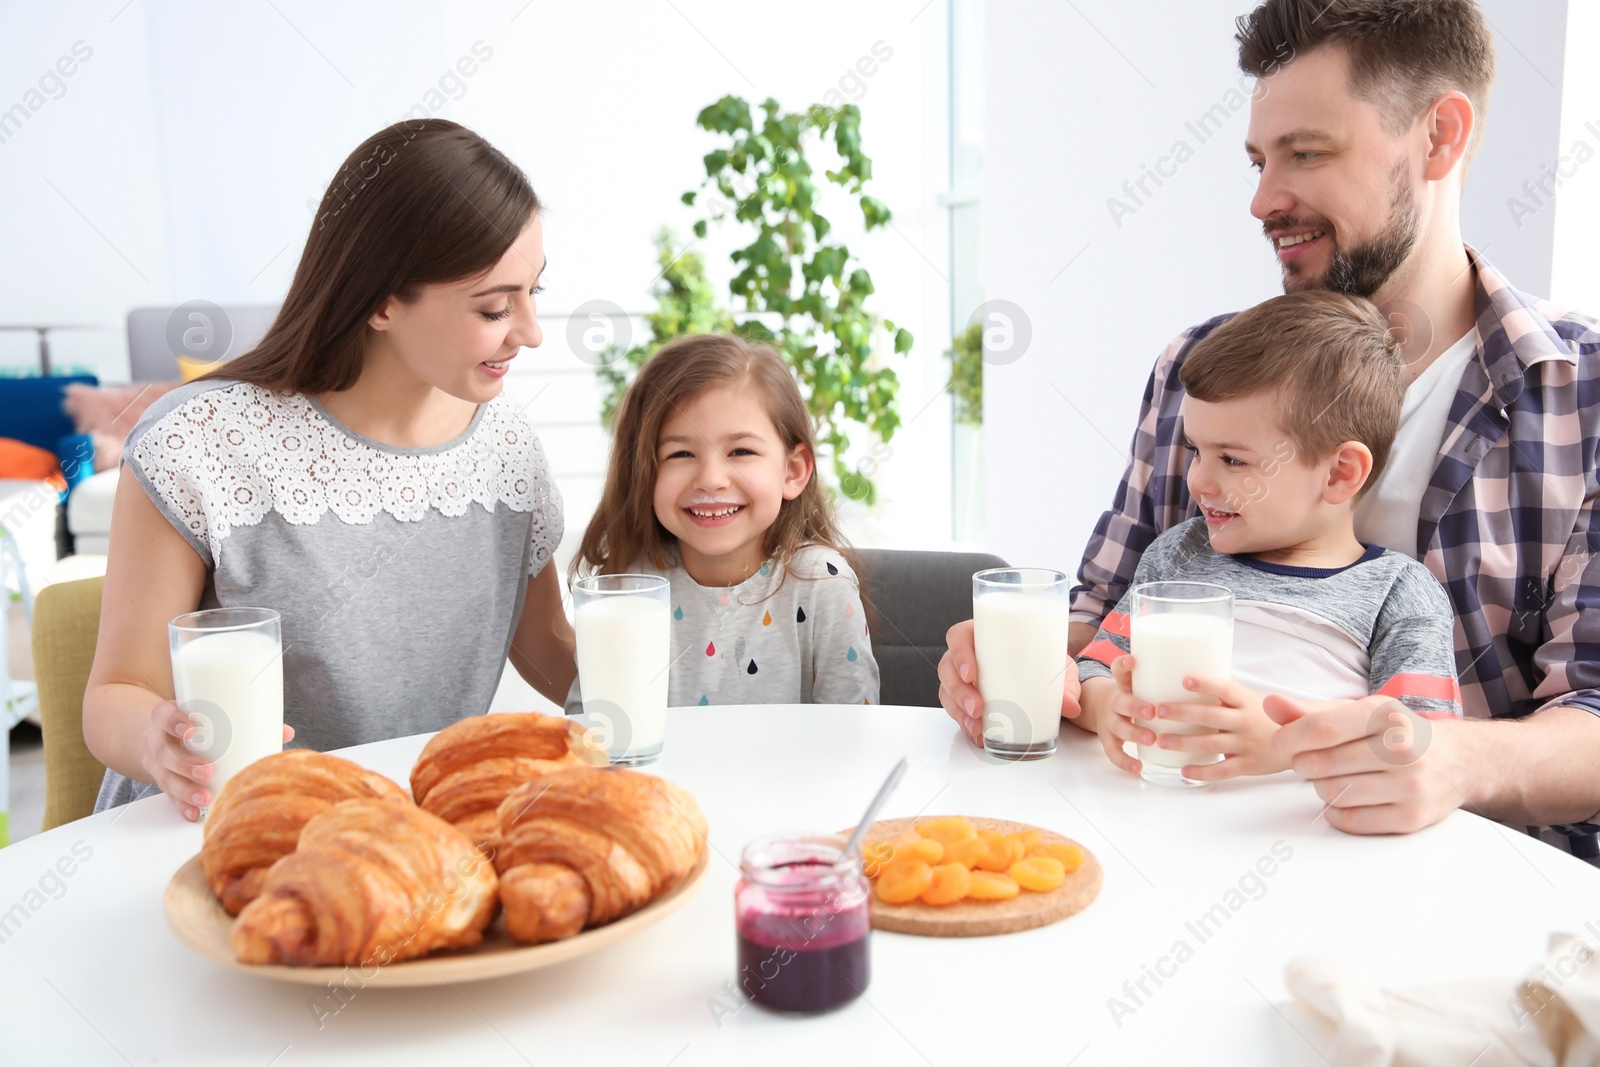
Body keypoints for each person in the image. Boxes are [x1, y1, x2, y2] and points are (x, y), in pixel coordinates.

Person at [940, 0, 1600, 846]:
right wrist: (1006, 662)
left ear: (1440, 136)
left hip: (1467, 895)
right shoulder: (1200, 366)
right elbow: (1102, 614)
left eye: (1307, 154)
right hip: (1187, 848)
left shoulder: (1577, 394)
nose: (1262, 200)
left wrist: (1450, 761)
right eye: (1257, 159)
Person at [83, 119, 575, 821]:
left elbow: (550, 647)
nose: (529, 331)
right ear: (381, 300)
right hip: (210, 834)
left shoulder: (505, 444)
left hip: (399, 839)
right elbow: (115, 695)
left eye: (535, 292)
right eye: (494, 306)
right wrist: (156, 741)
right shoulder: (199, 441)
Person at [1076, 290, 1460, 782]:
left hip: (1308, 841)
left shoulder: (1398, 594)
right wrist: (1112, 706)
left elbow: (1420, 743)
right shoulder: (1179, 556)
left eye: (1233, 460)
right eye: (1197, 451)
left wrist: (1287, 743)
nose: (1199, 481)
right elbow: (1090, 672)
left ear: (1341, 473)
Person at [566, 333, 878, 708]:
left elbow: (852, 743)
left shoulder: (822, 584)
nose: (711, 478)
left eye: (741, 451)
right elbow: (592, 735)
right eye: (680, 453)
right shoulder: (628, 589)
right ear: (644, 473)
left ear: (792, 471)